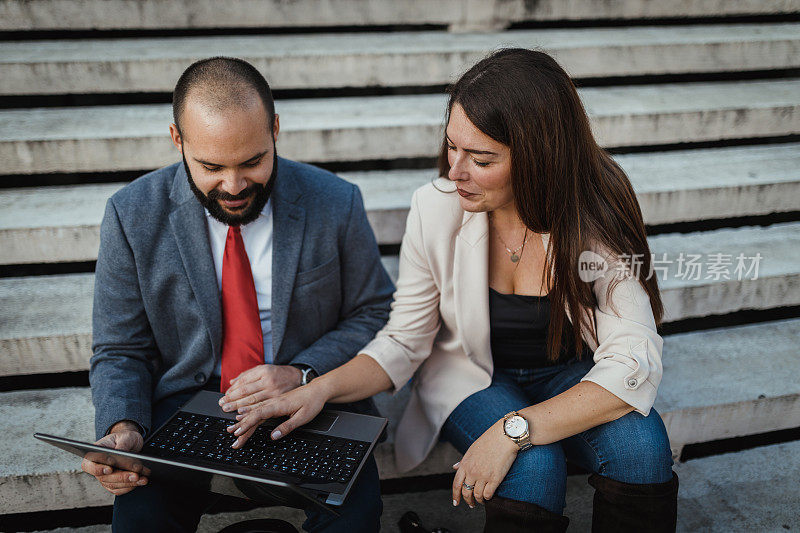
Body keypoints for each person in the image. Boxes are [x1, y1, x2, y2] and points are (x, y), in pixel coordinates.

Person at [223, 48, 679, 532]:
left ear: (539, 158)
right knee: (533, 467)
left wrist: (510, 431)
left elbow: (634, 359)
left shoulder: (596, 212)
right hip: (469, 374)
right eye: (451, 147)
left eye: (480, 159)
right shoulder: (436, 207)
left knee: (643, 450)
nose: (455, 171)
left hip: (571, 371)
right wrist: (316, 388)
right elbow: (405, 340)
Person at [80, 57, 394, 533]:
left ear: (275, 130)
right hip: (186, 397)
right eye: (210, 166)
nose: (233, 186)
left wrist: (301, 372)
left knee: (354, 514)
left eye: (252, 161)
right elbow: (121, 348)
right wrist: (123, 428)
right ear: (176, 139)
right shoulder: (131, 215)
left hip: (311, 396)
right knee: (142, 517)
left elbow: (375, 312)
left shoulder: (335, 200)